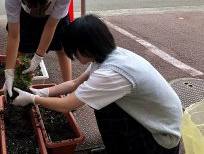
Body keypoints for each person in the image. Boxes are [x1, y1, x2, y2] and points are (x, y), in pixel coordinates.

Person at [12, 14, 183, 154]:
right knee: (102, 103)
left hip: (161, 138)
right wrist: (39, 93)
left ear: (86, 48)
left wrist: (33, 100)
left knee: (102, 107)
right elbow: (75, 83)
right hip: (158, 120)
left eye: (74, 51)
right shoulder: (109, 55)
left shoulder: (112, 73)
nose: (74, 57)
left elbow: (67, 105)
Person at [3, 0, 74, 97]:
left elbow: (51, 26)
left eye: (42, 4)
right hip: (26, 16)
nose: (38, 10)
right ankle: (16, 85)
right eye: (31, 4)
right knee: (22, 48)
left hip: (54, 16)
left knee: (62, 48)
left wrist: (38, 57)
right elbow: (14, 35)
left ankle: (68, 89)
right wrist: (8, 72)